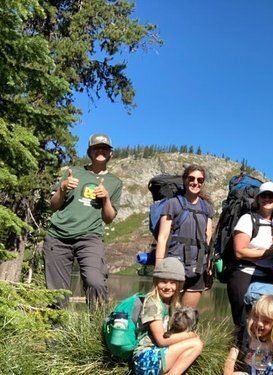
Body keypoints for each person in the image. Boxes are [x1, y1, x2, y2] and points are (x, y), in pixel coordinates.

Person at [43, 133, 122, 307]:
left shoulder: (114, 182)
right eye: (96, 148)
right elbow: (53, 206)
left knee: (96, 282)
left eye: (104, 148)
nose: (100, 151)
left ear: (111, 153)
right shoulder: (74, 172)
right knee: (56, 293)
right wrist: (62, 189)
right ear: (89, 152)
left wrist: (106, 198)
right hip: (58, 236)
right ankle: (56, 332)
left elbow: (108, 218)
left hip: (89, 237)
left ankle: (95, 328)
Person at [156, 164, 215, 308]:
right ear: (185, 180)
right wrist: (159, 266)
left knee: (187, 315)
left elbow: (208, 240)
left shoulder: (207, 208)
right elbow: (162, 237)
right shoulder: (173, 204)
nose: (196, 182)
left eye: (200, 180)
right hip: (175, 264)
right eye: (192, 178)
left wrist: (209, 266)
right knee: (167, 312)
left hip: (198, 266)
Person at [133, 257, 203, 375]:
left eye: (172, 283)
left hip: (156, 355)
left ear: (179, 285)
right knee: (196, 344)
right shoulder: (152, 303)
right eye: (163, 281)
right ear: (156, 282)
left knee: (194, 343)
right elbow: (161, 340)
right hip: (145, 358)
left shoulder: (171, 303)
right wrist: (191, 334)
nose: (168, 287)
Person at [227, 181, 273, 333]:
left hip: (268, 278)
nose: (267, 199)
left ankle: (256, 356)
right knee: (243, 324)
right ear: (258, 199)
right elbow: (239, 251)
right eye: (264, 195)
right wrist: (267, 253)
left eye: (272, 196)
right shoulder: (247, 219)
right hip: (244, 275)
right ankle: (236, 355)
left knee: (263, 326)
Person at [224, 294, 273, 375]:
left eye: (266, 321)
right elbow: (230, 362)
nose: (259, 323)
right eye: (256, 317)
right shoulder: (244, 334)